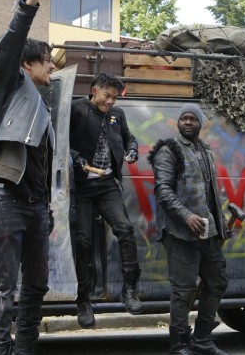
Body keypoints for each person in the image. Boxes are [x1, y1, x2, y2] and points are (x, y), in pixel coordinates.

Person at [0, 0, 56, 355]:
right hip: (8, 200)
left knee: (37, 284)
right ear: (27, 65)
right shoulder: (8, 88)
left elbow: (42, 165)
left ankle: (25, 347)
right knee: (4, 286)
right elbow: (7, 48)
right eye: (47, 62)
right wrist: (31, 1)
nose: (53, 68)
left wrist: (47, 208)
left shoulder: (41, 108)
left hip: (36, 207)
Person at [149, 103, 230, 355]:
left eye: (192, 119)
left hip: (208, 232)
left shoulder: (204, 150)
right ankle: (179, 345)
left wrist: (220, 222)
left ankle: (202, 339)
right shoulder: (168, 150)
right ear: (178, 122)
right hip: (179, 233)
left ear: (200, 123)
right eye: (183, 118)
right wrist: (186, 216)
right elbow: (163, 191)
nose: (187, 122)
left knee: (217, 282)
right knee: (183, 291)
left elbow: (209, 193)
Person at [69, 72, 142, 328]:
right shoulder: (77, 109)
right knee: (83, 242)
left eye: (114, 98)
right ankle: (83, 300)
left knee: (125, 229)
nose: (109, 102)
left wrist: (132, 150)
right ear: (94, 90)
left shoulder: (116, 115)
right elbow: (60, 140)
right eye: (106, 96)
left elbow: (129, 138)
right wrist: (75, 157)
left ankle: (130, 289)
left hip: (107, 184)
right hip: (82, 186)